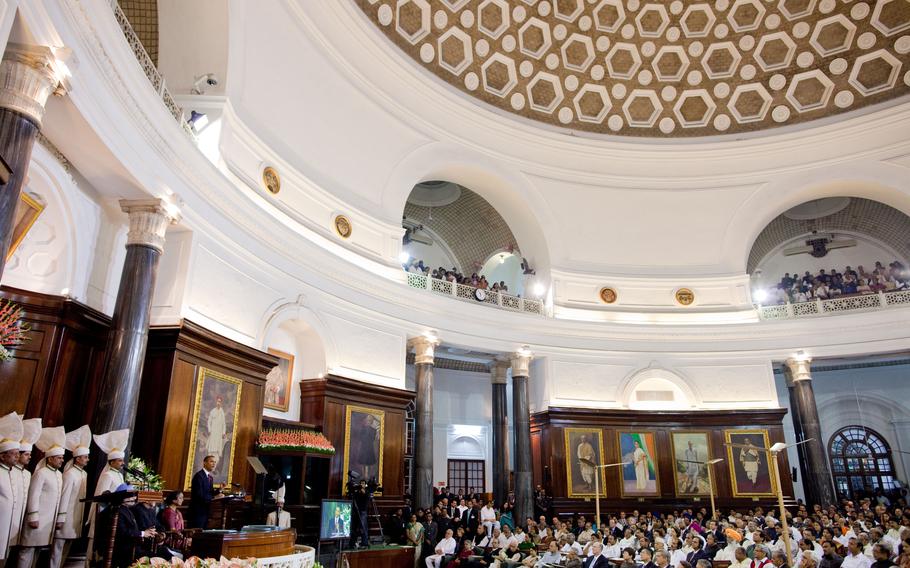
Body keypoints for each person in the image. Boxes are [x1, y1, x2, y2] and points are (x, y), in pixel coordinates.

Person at [18, 426, 66, 568]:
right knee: (27, 551)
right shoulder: (41, 473)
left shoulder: (58, 475)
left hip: (48, 521)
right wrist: (33, 516)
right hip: (37, 519)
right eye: (59, 458)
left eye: (62, 458)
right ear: (50, 458)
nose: (61, 460)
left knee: (38, 550)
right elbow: (33, 496)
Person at [50, 425, 91, 568]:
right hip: (65, 517)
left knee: (66, 550)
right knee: (57, 550)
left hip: (75, 518)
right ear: (78, 459)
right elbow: (65, 496)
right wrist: (60, 518)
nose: (87, 459)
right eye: (85, 457)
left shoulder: (84, 474)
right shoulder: (69, 474)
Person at [10, 417, 39, 563]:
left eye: (30, 454)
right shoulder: (9, 471)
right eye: (26, 454)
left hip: (20, 521)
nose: (29, 457)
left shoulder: (28, 474)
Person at [0, 412, 23, 568]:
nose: (17, 457)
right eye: (13, 454)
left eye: (17, 454)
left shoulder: (12, 473)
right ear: (2, 456)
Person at [189, 455, 221, 528]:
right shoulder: (199, 476)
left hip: (206, 510)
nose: (214, 464)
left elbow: (210, 492)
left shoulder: (210, 477)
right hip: (197, 512)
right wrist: (214, 497)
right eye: (211, 461)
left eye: (215, 462)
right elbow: (199, 495)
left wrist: (220, 489)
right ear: (204, 463)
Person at [206, 397, 228, 466]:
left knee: (217, 451)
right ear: (216, 402)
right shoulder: (212, 411)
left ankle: (214, 466)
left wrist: (223, 433)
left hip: (219, 433)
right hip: (213, 432)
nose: (218, 403)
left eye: (220, 402)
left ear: (221, 403)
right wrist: (209, 430)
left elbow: (224, 423)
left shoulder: (222, 412)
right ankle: (209, 464)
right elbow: (209, 421)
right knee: (211, 449)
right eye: (218, 401)